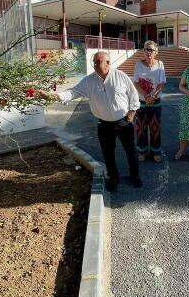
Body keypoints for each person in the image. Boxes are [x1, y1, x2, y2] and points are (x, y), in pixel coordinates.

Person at [46, 51, 141, 192]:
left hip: (123, 122)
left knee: (131, 151)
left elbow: (133, 94)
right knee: (108, 153)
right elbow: (73, 92)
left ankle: (135, 175)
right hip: (104, 124)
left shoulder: (120, 76)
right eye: (95, 62)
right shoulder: (89, 80)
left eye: (98, 62)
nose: (95, 65)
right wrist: (55, 96)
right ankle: (113, 177)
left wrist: (132, 111)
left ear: (108, 63)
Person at [133, 41, 166, 163]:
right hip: (142, 101)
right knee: (141, 128)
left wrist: (153, 95)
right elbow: (136, 82)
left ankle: (155, 151)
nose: (148, 52)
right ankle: (142, 151)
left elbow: (162, 83)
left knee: (155, 127)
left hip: (155, 101)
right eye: (146, 49)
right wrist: (146, 95)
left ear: (156, 52)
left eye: (151, 50)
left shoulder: (160, 64)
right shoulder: (138, 64)